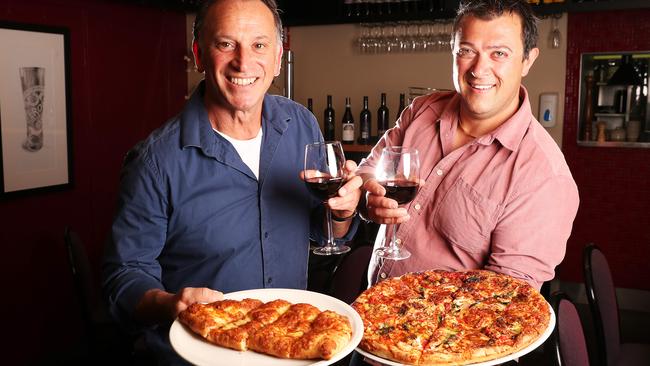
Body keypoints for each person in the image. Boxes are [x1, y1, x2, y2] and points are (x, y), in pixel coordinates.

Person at [102, 0, 362, 364]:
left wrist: (342, 212)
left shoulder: (301, 125)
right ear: (199, 54)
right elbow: (123, 276)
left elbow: (323, 232)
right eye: (226, 44)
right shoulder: (155, 161)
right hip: (200, 355)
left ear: (277, 58)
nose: (243, 61)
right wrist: (169, 303)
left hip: (290, 347)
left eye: (259, 45)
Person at [357, 0, 579, 291]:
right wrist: (368, 200)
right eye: (466, 51)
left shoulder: (544, 176)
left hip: (445, 333)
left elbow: (505, 301)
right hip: (369, 304)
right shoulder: (421, 111)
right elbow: (366, 175)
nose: (479, 69)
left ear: (528, 60)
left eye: (498, 53)